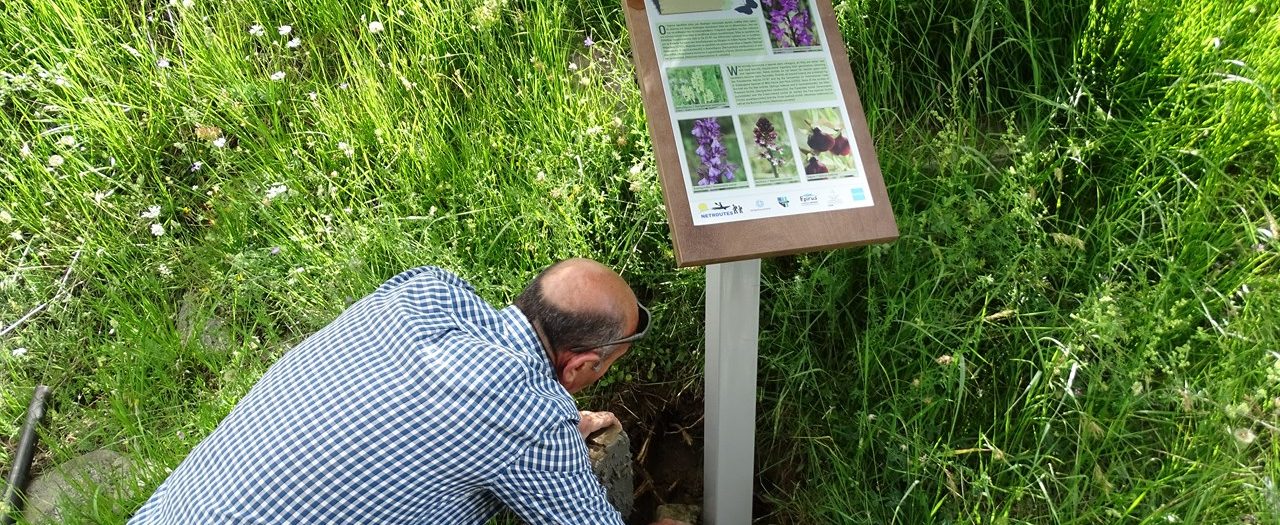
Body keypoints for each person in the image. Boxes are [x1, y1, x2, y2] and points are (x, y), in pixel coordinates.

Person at [129, 259, 684, 525]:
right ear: (582, 366)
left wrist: (554, 434)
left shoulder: (426, 291)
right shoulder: (529, 425)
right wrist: (551, 438)